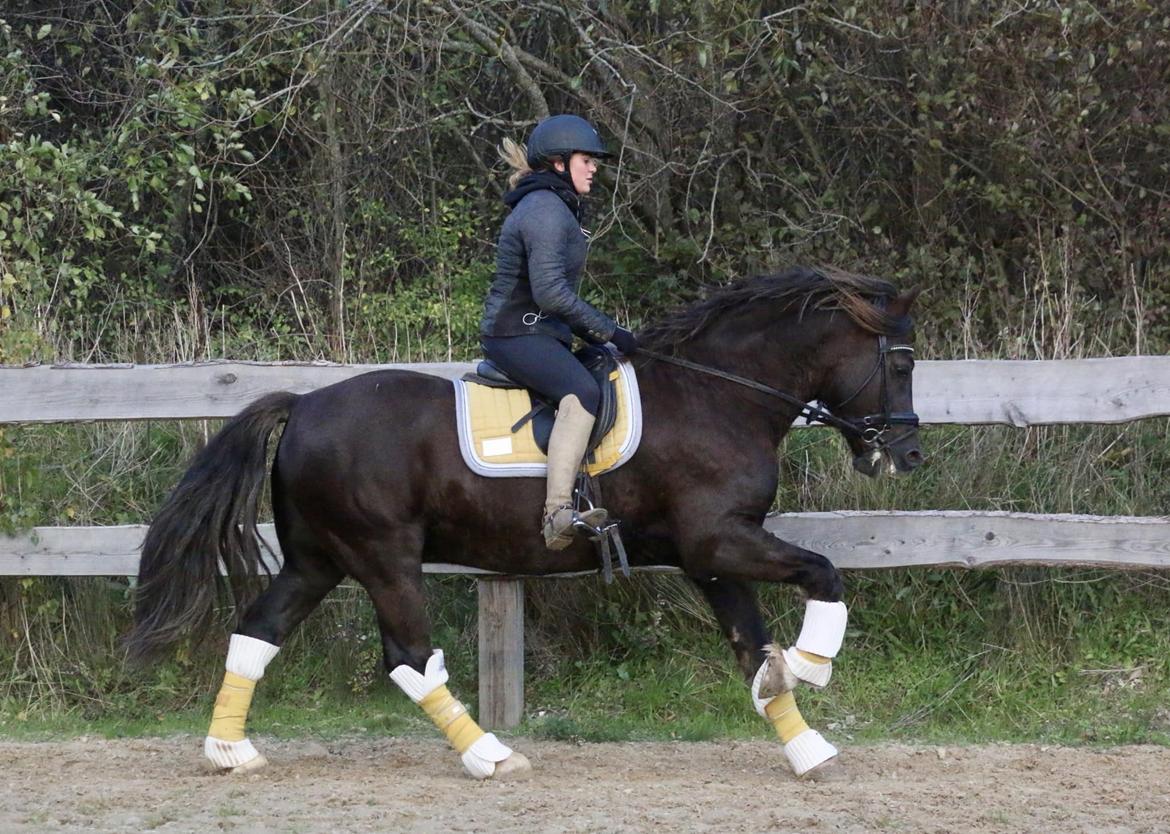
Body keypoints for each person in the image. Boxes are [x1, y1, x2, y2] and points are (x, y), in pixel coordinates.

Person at [480, 114, 639, 550]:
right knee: (582, 392)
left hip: (536, 332)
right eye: (587, 160)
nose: (594, 169)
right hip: (516, 335)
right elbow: (551, 293)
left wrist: (598, 337)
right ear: (558, 163)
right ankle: (557, 514)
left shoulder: (553, 205)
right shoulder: (546, 211)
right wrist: (611, 331)